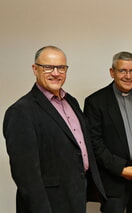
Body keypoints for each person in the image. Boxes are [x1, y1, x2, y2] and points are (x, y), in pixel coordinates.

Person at [3, 46, 105, 213]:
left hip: (75, 195)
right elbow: (26, 176)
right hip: (49, 204)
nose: (56, 73)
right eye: (48, 67)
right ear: (35, 69)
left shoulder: (70, 101)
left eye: (61, 67)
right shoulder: (21, 112)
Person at [84, 51, 132, 213]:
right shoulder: (95, 102)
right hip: (112, 179)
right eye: (123, 71)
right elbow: (94, 144)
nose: (128, 76)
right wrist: (121, 169)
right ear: (112, 72)